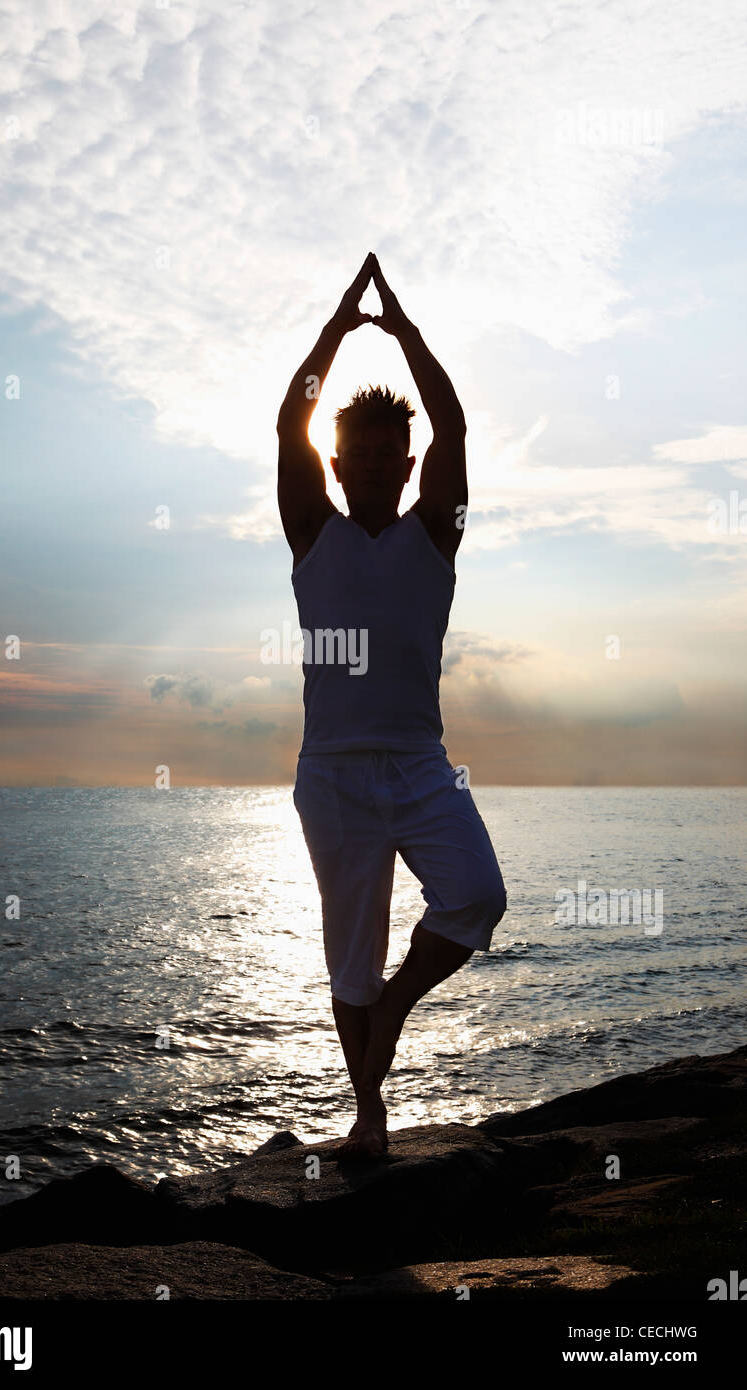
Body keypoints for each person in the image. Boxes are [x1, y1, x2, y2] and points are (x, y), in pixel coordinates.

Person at [276, 252, 507, 1158]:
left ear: (406, 467)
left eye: (387, 457)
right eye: (356, 457)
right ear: (336, 463)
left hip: (417, 763)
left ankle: (398, 1011)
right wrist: (337, 328)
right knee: (351, 958)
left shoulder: (433, 534)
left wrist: (402, 331)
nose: (372, 467)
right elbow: (288, 419)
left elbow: (452, 424)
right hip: (332, 774)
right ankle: (368, 1120)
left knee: (476, 896)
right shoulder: (312, 530)